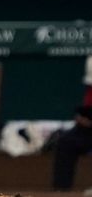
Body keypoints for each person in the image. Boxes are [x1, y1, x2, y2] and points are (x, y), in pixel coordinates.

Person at [52, 56, 92, 192]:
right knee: (65, 142)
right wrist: (81, 118)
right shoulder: (89, 91)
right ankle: (62, 189)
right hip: (87, 131)